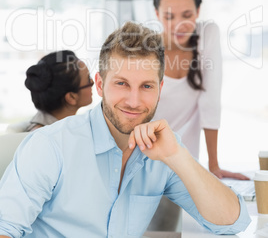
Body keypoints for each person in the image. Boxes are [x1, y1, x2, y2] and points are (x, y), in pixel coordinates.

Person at [0, 22, 250, 237]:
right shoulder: (50, 146)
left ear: (161, 88)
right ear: (99, 84)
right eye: (121, 83)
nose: (134, 101)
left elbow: (232, 222)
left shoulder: (164, 151)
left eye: (147, 87)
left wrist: (179, 157)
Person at [152, 0, 248, 179]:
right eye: (169, 17)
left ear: (198, 11)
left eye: (186, 15)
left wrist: (214, 165)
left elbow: (210, 100)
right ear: (157, 14)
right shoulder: (146, 48)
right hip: (148, 162)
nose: (179, 25)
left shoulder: (207, 34)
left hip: (187, 166)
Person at [8, 50, 94, 132]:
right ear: (71, 97)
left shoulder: (66, 128)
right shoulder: (47, 140)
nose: (92, 81)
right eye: (88, 79)